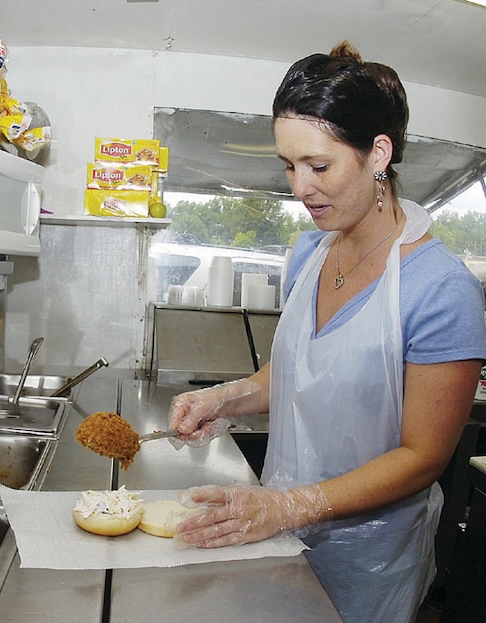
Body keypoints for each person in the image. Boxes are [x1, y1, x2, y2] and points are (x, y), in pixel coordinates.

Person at [167, 41, 486, 623]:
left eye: (319, 166)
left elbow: (422, 457)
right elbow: (298, 370)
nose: (299, 188)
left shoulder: (441, 290)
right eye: (289, 166)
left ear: (378, 154)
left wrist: (289, 507)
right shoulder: (310, 252)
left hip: (369, 560)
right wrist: (226, 399)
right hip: (276, 531)